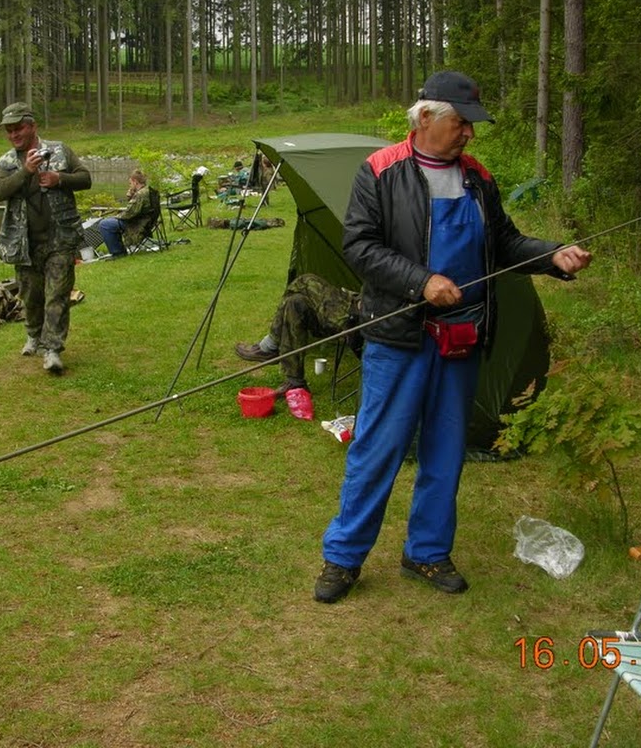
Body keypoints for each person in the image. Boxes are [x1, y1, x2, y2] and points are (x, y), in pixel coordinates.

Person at [314, 70, 592, 604]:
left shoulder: (478, 178)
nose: (469, 133)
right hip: (398, 339)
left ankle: (427, 552)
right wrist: (422, 282)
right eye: (461, 123)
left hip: (461, 339)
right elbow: (361, 247)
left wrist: (553, 256)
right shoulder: (380, 172)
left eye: (471, 124)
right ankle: (343, 558)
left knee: (445, 453)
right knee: (378, 449)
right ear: (425, 119)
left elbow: (505, 243)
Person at [0, 102, 92, 374]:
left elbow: (85, 178)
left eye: (18, 128)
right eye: (9, 131)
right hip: (23, 243)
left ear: (32, 126)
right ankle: (34, 334)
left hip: (60, 238)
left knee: (57, 294)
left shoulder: (60, 151)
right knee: (31, 296)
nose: (14, 135)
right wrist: (26, 171)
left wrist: (59, 178)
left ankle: (53, 350)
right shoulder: (6, 163)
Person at [235, 274, 361, 420]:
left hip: (359, 320)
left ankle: (270, 346)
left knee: (306, 280)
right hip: (357, 306)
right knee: (295, 303)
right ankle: (295, 382)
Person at [97, 169, 153, 258]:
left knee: (105, 224)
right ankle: (120, 249)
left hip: (137, 223)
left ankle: (118, 252)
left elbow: (129, 213)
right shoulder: (148, 190)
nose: (130, 186)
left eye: (130, 183)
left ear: (135, 182)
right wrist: (131, 197)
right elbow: (136, 209)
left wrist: (116, 217)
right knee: (110, 221)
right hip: (146, 220)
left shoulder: (140, 194)